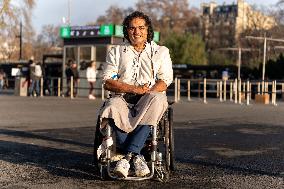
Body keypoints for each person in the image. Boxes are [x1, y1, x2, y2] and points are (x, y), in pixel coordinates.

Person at [98, 11, 173, 178]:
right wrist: (134, 89)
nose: (136, 32)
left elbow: (165, 80)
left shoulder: (161, 51)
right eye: (132, 28)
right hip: (123, 98)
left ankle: (126, 157)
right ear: (126, 31)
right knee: (111, 106)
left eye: (141, 28)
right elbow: (107, 81)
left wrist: (147, 92)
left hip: (148, 99)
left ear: (148, 30)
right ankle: (136, 155)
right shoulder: (116, 52)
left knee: (159, 99)